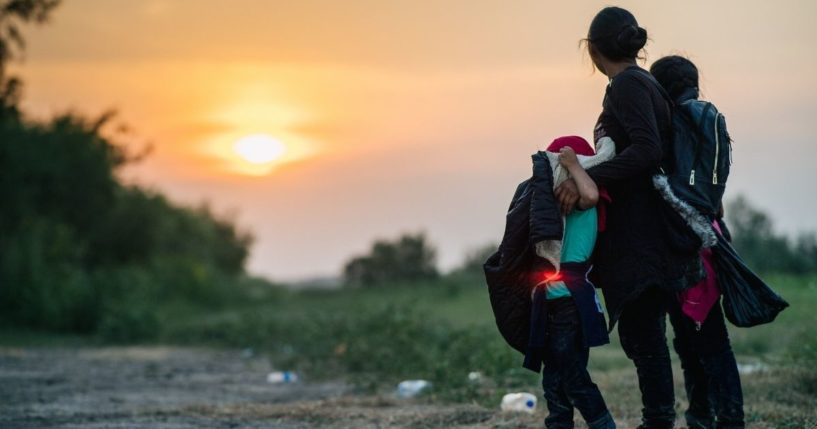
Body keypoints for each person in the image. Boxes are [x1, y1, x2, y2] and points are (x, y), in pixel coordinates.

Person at [555, 7, 700, 429]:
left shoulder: (628, 85)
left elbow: (647, 149)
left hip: (643, 236)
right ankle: (661, 419)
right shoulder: (640, 83)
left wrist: (584, 173)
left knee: (645, 335)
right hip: (646, 232)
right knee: (643, 334)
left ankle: (658, 421)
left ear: (594, 51)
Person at [650, 55, 744, 429]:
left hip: (685, 241)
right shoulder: (708, 119)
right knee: (699, 338)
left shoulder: (678, 122)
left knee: (702, 339)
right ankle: (706, 414)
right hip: (709, 235)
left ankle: (720, 418)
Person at [526, 136, 616, 429]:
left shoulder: (582, 197)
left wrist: (575, 166)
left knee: (573, 376)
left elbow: (590, 194)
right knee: (553, 380)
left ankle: (604, 425)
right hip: (551, 300)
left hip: (571, 302)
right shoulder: (554, 202)